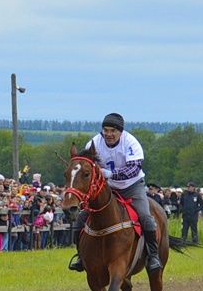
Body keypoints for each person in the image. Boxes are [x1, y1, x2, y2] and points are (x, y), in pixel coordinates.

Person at [68, 112, 162, 273]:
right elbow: (85, 163)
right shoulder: (95, 142)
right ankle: (81, 257)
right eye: (106, 130)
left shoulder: (130, 142)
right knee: (81, 219)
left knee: (146, 216)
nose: (109, 134)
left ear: (120, 131)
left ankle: (153, 255)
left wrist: (111, 174)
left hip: (132, 186)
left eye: (113, 131)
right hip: (107, 187)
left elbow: (134, 168)